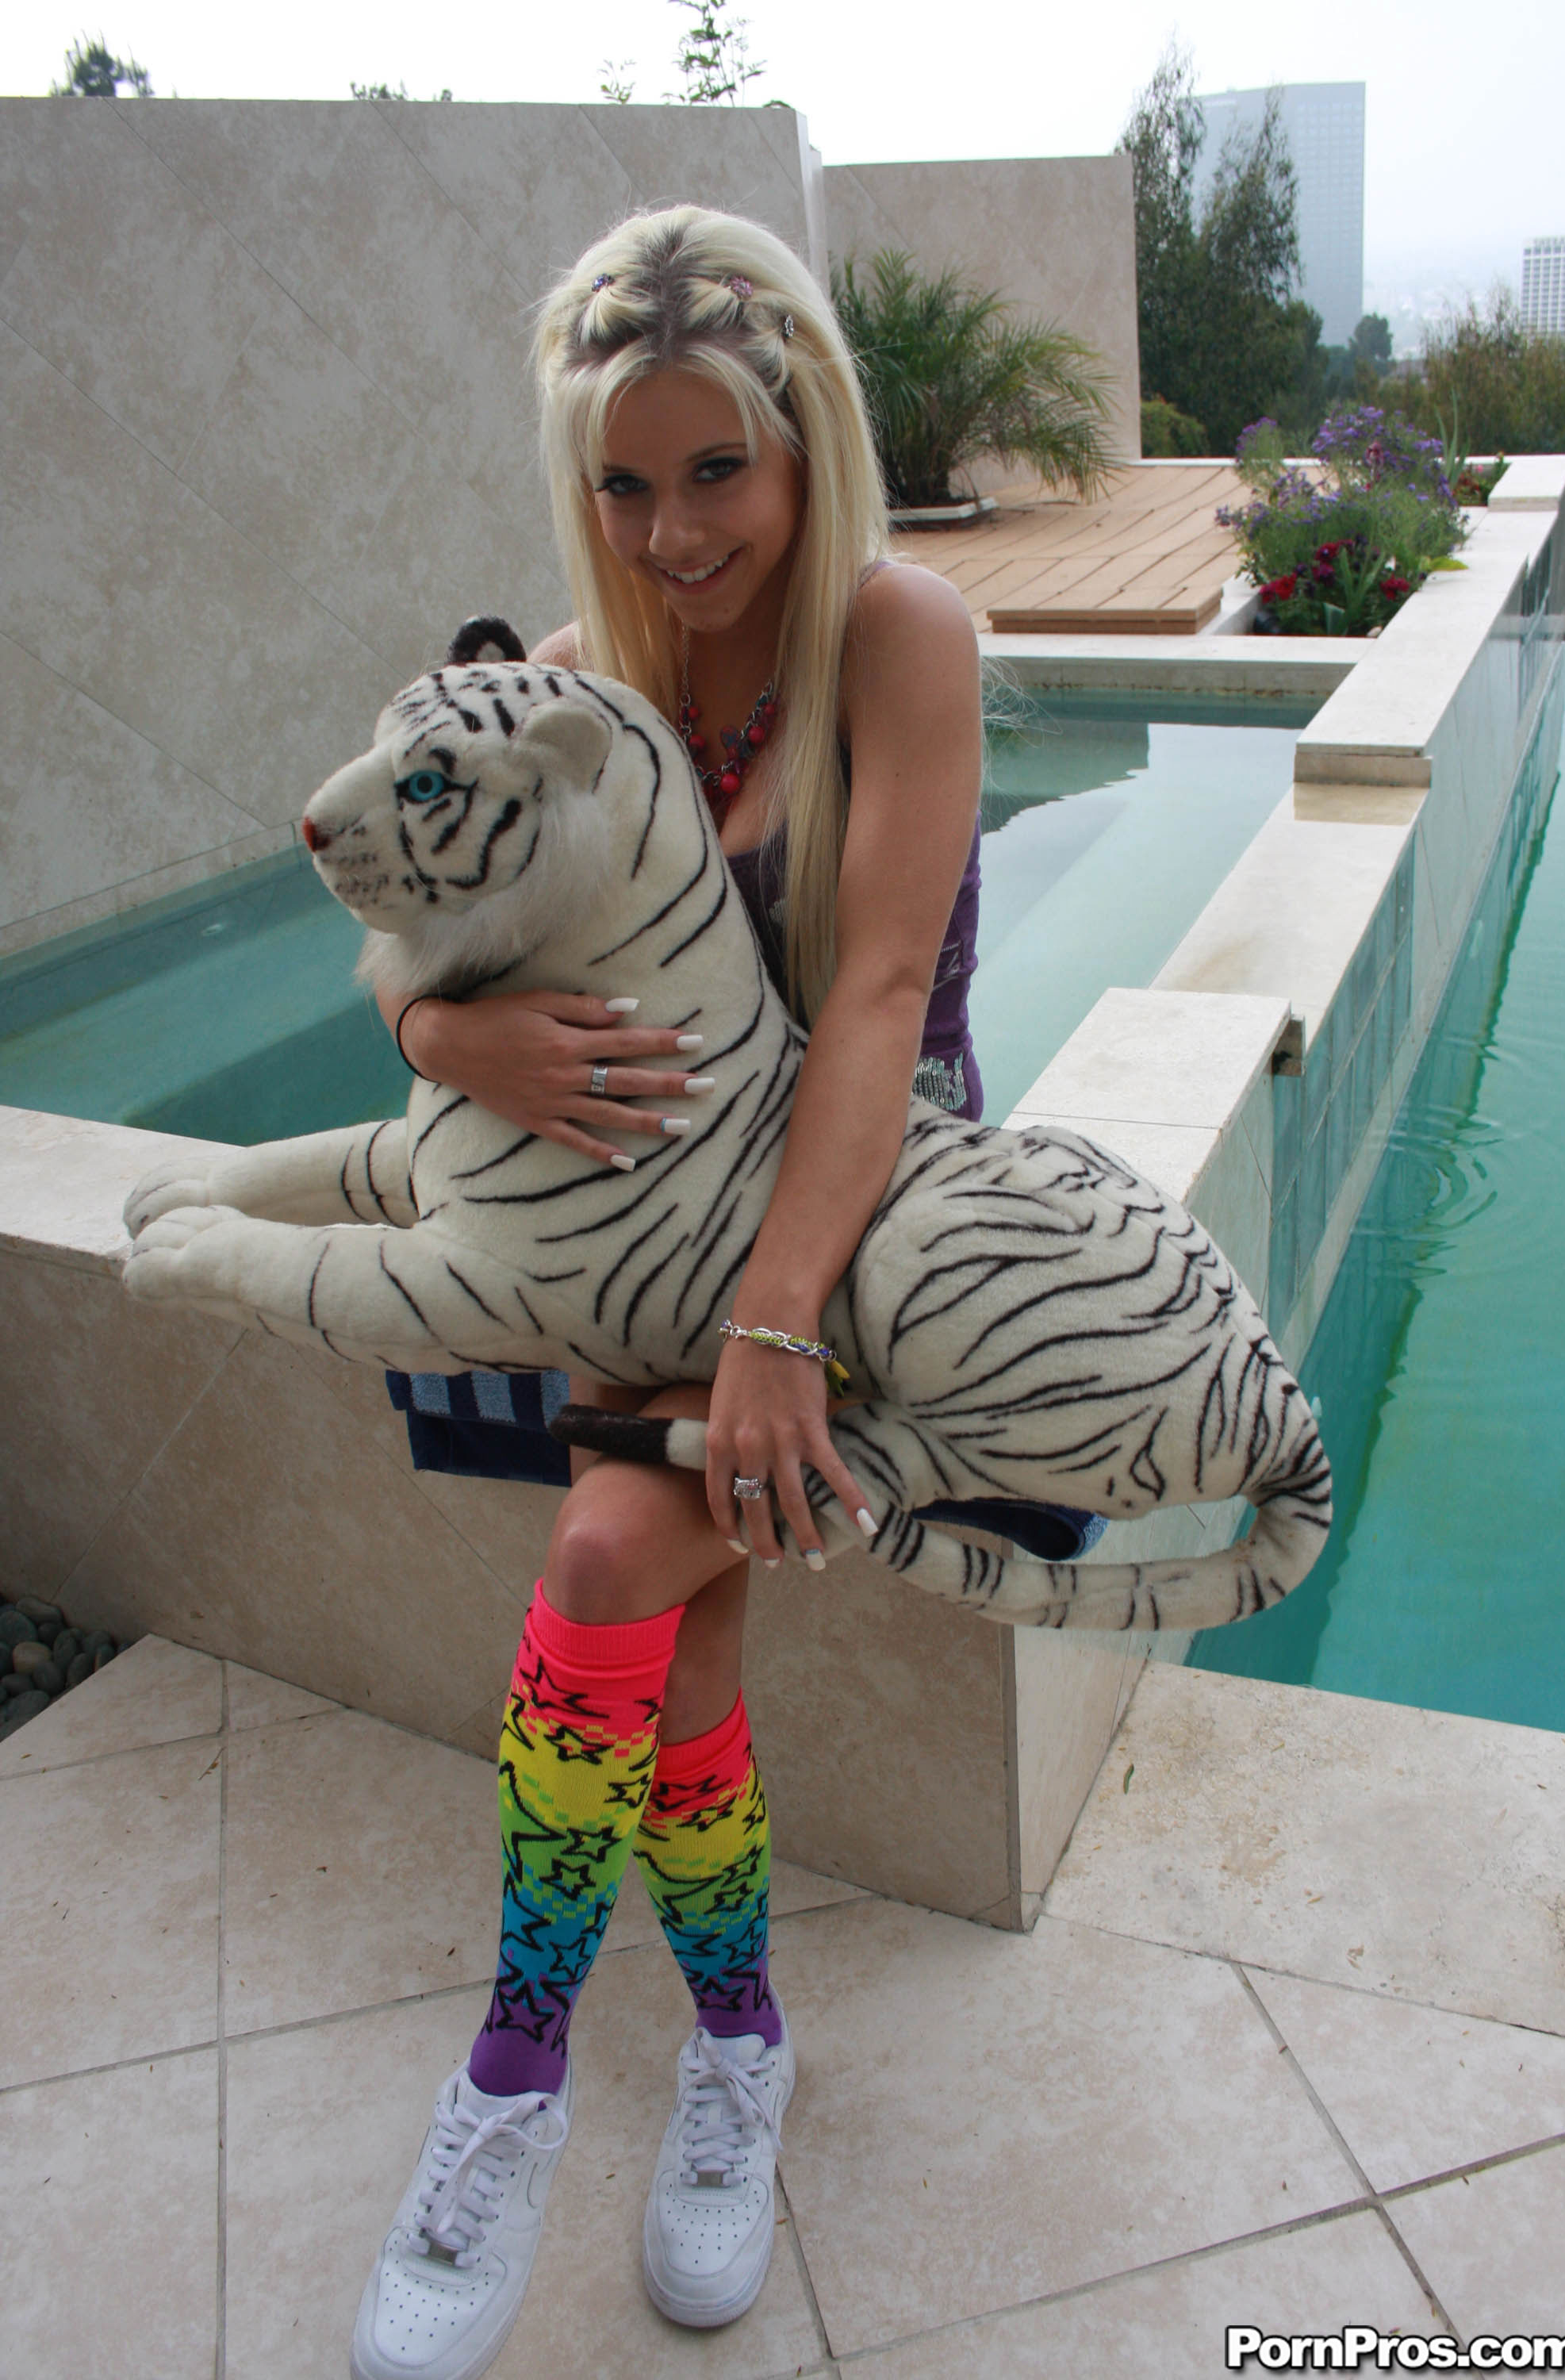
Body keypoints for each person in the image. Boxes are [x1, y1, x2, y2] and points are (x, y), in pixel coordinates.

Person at [349, 203, 987, 2380]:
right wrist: (454, 1035)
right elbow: (394, 928)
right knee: (668, 1640)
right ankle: (736, 2051)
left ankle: (516, 2076)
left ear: (808, 446)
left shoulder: (898, 634)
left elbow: (881, 995)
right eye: (625, 482)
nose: (674, 529)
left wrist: (779, 1323)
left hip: (864, 1220)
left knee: (613, 1560)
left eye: (718, 468)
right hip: (638, 1236)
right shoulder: (580, 667)